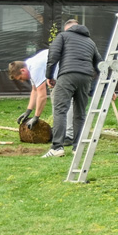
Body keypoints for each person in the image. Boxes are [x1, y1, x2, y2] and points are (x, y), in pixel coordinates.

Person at [43, 19, 102, 157]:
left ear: (67, 28)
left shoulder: (63, 36)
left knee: (60, 110)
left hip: (68, 74)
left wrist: (49, 76)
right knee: (80, 113)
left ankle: (57, 147)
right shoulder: (90, 42)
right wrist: (104, 85)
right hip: (86, 77)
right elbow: (99, 64)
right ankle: (77, 148)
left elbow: (53, 56)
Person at [9, 49, 59, 128]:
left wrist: (36, 117)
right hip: (62, 73)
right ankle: (60, 129)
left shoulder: (35, 68)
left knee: (59, 101)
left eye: (20, 78)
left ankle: (66, 132)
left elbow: (42, 96)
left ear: (23, 70)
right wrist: (28, 111)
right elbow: (35, 91)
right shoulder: (30, 64)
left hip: (69, 71)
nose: (22, 81)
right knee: (57, 100)